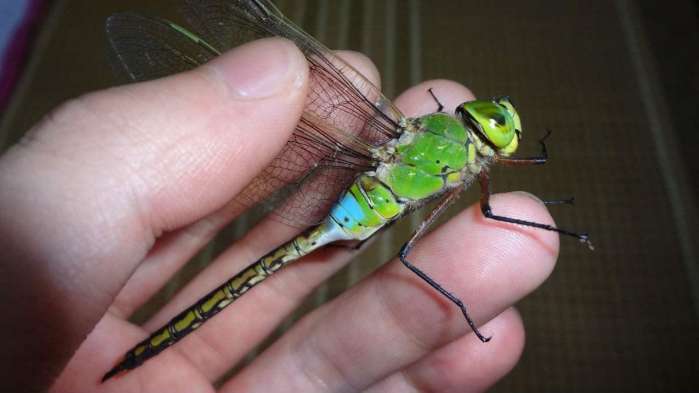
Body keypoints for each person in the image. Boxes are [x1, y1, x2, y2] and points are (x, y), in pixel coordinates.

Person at [0, 38, 559, 392]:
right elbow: (476, 201)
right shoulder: (466, 158)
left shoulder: (443, 135)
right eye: (491, 126)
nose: (496, 124)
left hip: (363, 200)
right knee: (412, 251)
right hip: (356, 211)